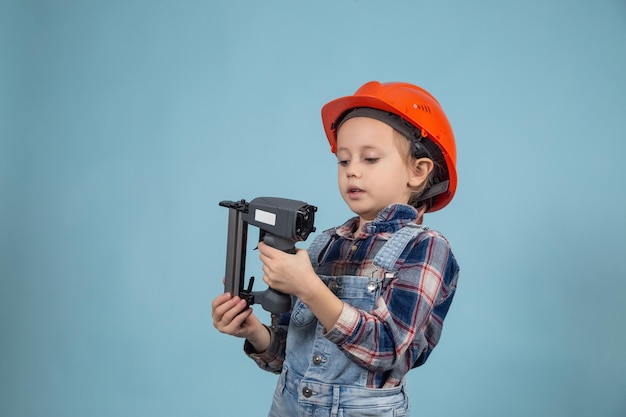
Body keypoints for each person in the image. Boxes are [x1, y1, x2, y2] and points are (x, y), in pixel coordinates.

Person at [212, 81, 460, 416]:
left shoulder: (426, 248)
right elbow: (290, 355)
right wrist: (256, 332)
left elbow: (386, 349)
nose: (353, 170)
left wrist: (310, 288)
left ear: (418, 171)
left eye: (370, 158)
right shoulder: (323, 245)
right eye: (343, 161)